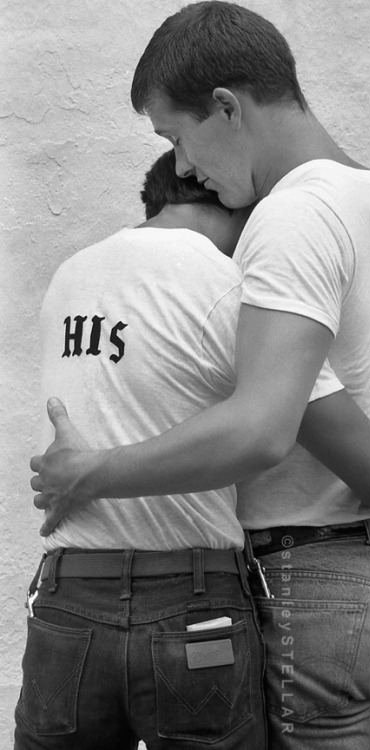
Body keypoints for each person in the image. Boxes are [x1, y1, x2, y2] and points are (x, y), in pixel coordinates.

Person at [30, 3, 370, 749]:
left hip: (322, 585)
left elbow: (262, 429)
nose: (180, 168)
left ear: (227, 107)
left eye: (176, 136)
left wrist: (92, 472)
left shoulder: (293, 216)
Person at [15, 151, 268, 750]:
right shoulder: (228, 279)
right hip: (192, 599)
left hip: (68, 599)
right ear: (228, 196)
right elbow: (285, 419)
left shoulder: (71, 272)